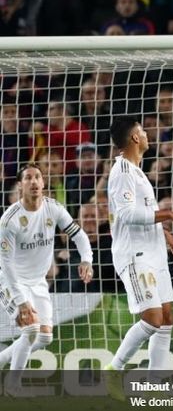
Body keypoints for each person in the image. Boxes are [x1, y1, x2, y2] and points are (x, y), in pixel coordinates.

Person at [104, 116, 173, 400]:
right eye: (142, 131)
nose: (146, 135)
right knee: (153, 318)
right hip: (135, 255)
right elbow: (128, 215)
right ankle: (113, 369)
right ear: (133, 138)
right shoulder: (122, 172)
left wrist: (164, 234)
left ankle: (155, 384)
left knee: (166, 318)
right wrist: (169, 214)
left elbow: (144, 212)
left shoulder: (138, 172)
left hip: (153, 250)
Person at [0, 163, 93, 390]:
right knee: (30, 330)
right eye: (28, 178)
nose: (34, 182)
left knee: (44, 338)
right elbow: (7, 263)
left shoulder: (54, 208)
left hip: (39, 282)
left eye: (37, 177)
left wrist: (86, 259)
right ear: (20, 185)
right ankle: (13, 387)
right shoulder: (9, 219)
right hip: (12, 281)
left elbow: (79, 235)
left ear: (43, 183)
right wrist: (21, 301)